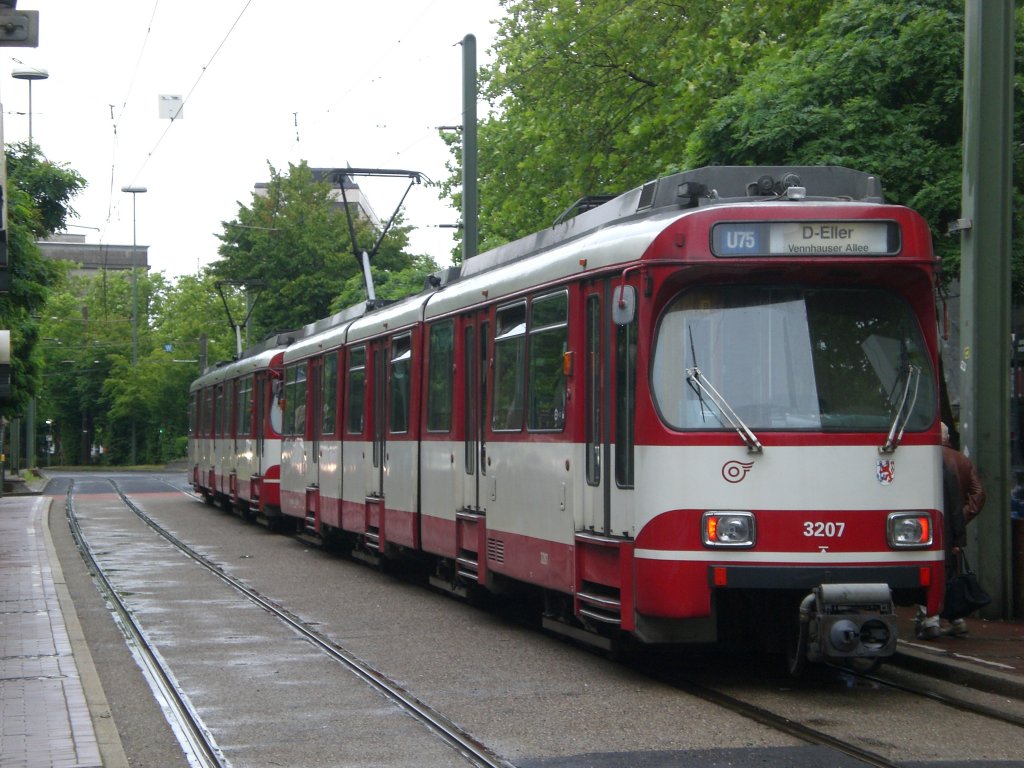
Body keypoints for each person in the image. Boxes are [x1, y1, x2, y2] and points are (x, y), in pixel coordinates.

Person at [917, 422, 987, 639]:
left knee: (928, 572)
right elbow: (978, 494)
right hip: (953, 527)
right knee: (950, 574)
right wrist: (960, 521)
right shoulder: (962, 460)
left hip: (926, 525)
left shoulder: (924, 460)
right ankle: (956, 619)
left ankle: (930, 620)